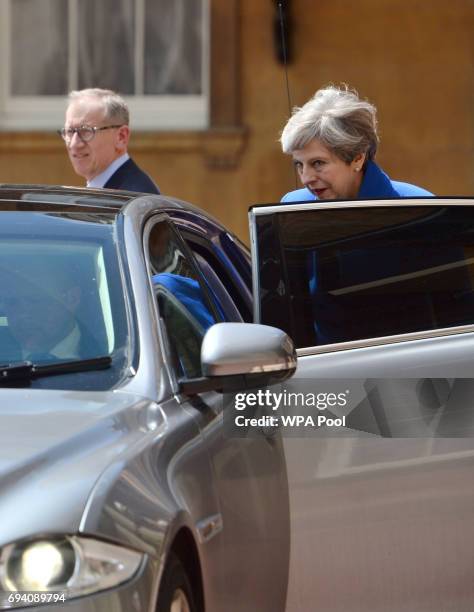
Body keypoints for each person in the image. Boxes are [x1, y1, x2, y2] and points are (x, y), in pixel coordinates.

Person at [280, 85, 433, 202]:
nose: (306, 178)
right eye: (299, 165)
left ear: (357, 158)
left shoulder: (419, 206)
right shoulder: (292, 206)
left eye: (318, 163)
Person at [59, 88, 160, 194]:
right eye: (69, 131)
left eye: (86, 131)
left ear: (121, 137)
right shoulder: (107, 193)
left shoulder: (134, 200)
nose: (74, 144)